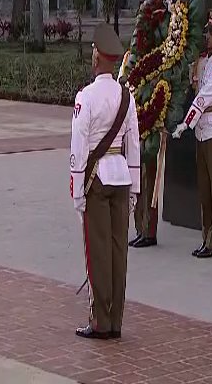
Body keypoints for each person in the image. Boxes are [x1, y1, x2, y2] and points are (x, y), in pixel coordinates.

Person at [71, 23, 140, 340]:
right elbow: (134, 145)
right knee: (118, 252)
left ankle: (100, 320)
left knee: (97, 250)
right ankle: (116, 320)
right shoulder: (127, 96)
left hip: (96, 180)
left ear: (98, 57)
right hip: (122, 175)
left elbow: (78, 146)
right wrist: (136, 188)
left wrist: (77, 190)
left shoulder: (85, 97)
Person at [172, 10, 212, 258]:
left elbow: (204, 98)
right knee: (204, 188)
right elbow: (193, 87)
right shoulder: (203, 61)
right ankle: (205, 236)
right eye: (207, 32)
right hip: (202, 131)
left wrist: (185, 124)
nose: (208, 37)